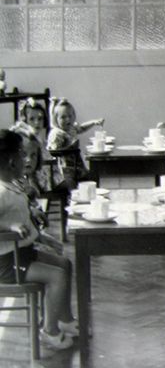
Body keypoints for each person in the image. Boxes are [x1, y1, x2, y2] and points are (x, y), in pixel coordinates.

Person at [0, 129, 77, 350]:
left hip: (22, 252)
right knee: (57, 276)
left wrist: (39, 229)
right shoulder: (1, 192)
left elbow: (20, 213)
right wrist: (9, 226)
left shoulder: (13, 185)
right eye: (22, 155)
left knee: (65, 264)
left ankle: (65, 319)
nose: (26, 160)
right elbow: (11, 221)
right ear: (11, 161)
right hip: (6, 263)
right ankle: (49, 332)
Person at [46, 98, 103, 186]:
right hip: (63, 168)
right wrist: (68, 148)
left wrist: (94, 122)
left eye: (70, 115)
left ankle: (92, 193)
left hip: (76, 165)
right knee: (72, 185)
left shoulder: (72, 128)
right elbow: (53, 152)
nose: (68, 119)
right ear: (56, 119)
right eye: (63, 117)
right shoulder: (56, 133)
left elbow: (82, 128)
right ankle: (73, 196)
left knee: (92, 176)